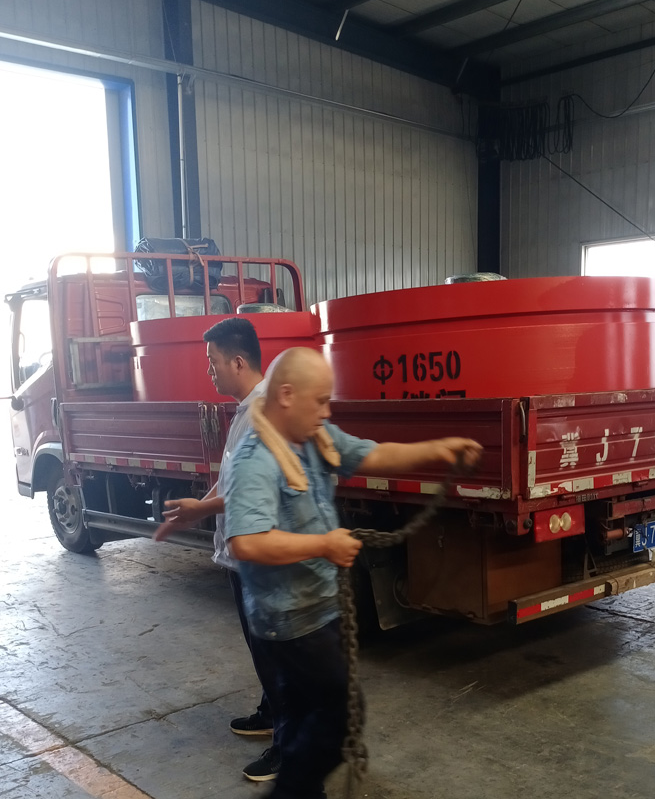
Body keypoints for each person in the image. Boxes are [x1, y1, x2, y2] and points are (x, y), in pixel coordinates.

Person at [224, 347, 482, 799]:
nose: (327, 412)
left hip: (318, 608)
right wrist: (324, 545)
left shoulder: (313, 438)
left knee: (306, 716)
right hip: (290, 621)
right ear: (287, 395)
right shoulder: (256, 459)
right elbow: (247, 542)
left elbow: (373, 456)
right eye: (320, 401)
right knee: (342, 715)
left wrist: (438, 450)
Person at [153, 316, 282, 782]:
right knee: (261, 649)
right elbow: (230, 479)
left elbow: (259, 488)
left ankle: (289, 748)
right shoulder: (245, 411)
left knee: (275, 653)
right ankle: (271, 713)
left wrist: (201, 509)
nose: (209, 371)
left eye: (213, 362)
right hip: (240, 554)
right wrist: (196, 510)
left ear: (238, 362)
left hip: (260, 557)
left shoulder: (265, 414)